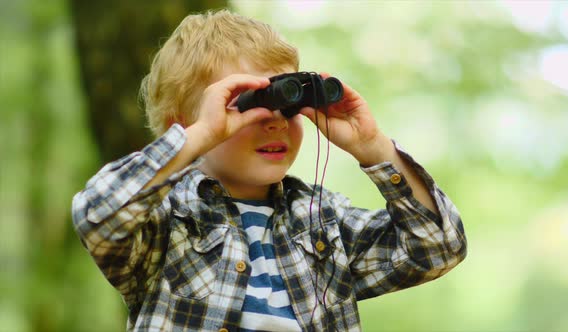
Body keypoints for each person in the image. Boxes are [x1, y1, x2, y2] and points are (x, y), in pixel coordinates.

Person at [72, 9, 467, 332]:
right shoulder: (165, 223)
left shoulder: (322, 221)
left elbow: (437, 247)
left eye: (287, 106)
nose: (275, 121)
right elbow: (98, 214)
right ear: (185, 125)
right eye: (248, 105)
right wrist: (201, 135)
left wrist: (373, 147)